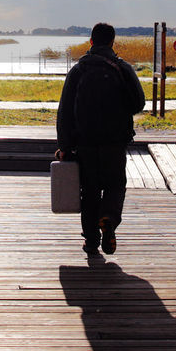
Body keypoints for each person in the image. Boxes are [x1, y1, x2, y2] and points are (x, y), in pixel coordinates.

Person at [56, 22, 146, 255]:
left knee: (90, 191)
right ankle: (109, 218)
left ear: (91, 42)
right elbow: (138, 103)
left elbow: (65, 111)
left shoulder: (78, 70)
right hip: (115, 143)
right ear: (112, 42)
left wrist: (64, 146)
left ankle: (91, 241)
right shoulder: (121, 68)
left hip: (85, 144)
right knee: (116, 186)